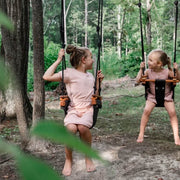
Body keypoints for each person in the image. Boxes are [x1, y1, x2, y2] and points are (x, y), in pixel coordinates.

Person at [43, 44, 104, 176]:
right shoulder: (69, 73)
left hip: (88, 110)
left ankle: (88, 156)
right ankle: (68, 159)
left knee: (82, 128)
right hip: (73, 110)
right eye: (91, 58)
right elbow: (46, 77)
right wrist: (59, 60)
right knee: (70, 129)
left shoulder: (90, 76)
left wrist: (99, 82)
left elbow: (95, 93)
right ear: (83, 60)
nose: (93, 60)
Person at [136, 49, 180, 145]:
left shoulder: (168, 72)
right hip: (152, 97)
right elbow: (138, 80)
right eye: (148, 60)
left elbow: (177, 79)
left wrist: (176, 70)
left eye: (151, 60)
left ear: (159, 63)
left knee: (172, 113)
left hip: (167, 97)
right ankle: (141, 133)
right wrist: (141, 69)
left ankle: (176, 136)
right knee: (146, 111)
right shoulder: (148, 71)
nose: (148, 62)